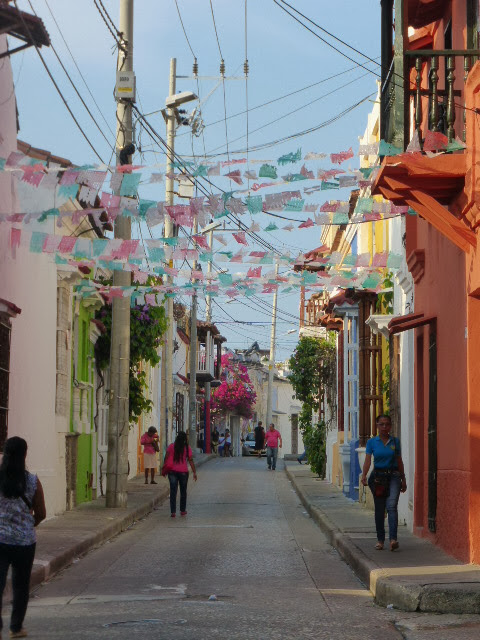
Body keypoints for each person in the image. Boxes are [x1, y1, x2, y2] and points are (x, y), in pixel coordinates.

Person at [0, 437, 46, 638]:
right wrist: (27, 525)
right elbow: (41, 513)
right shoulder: (32, 481)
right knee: (20, 586)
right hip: (24, 543)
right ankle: (16, 628)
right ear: (25, 455)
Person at [361, 415, 407, 552]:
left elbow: (399, 460)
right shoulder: (372, 442)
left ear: (390, 426)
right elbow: (368, 460)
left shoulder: (395, 442)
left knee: (391, 506)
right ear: (377, 426)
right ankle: (380, 540)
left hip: (393, 476)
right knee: (380, 509)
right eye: (381, 424)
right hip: (378, 478)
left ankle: (393, 539)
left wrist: (403, 479)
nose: (384, 427)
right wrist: (364, 475)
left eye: (387, 424)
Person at [163, 431, 197, 517]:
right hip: (183, 472)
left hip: (172, 471)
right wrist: (194, 472)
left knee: (173, 491)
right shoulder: (187, 448)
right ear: (185, 439)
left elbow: (166, 458)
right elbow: (190, 460)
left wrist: (164, 469)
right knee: (183, 492)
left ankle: (173, 512)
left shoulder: (171, 446)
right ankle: (182, 510)